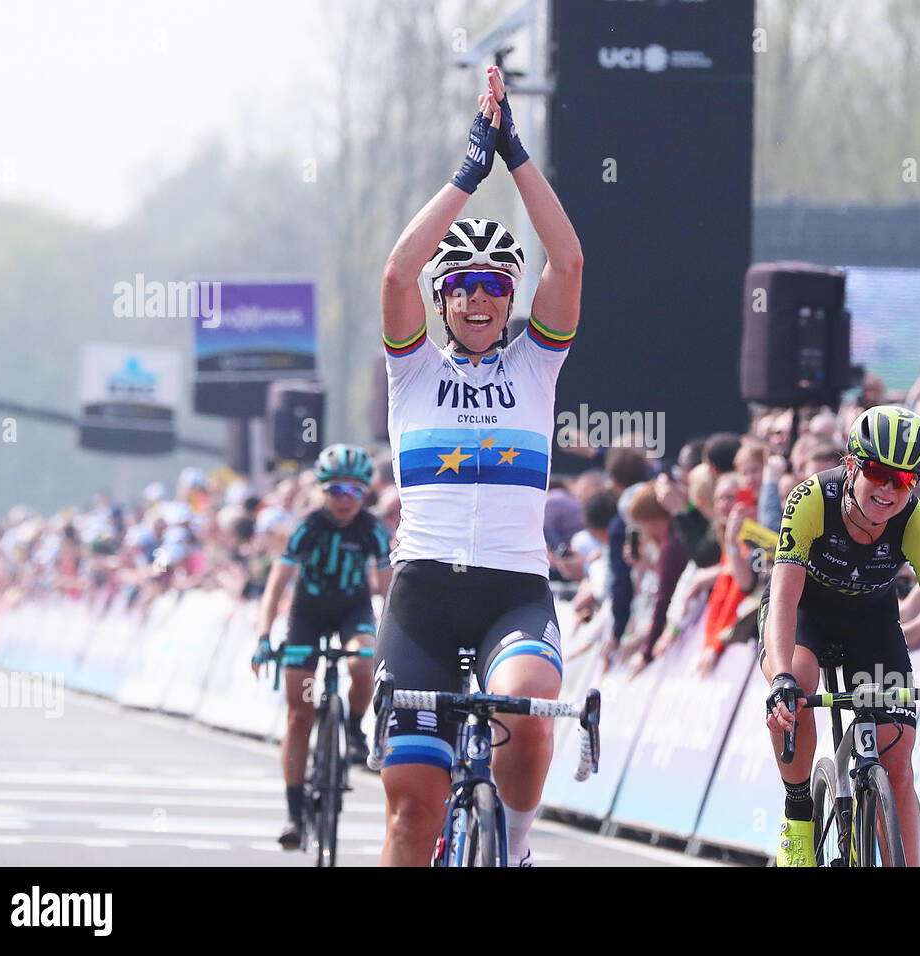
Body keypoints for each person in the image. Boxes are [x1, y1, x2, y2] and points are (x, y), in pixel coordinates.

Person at [372, 65, 582, 867]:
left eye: (495, 285)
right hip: (423, 597)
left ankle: (516, 847)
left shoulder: (536, 364)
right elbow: (396, 271)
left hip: (511, 590)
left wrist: (515, 156)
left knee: (525, 710)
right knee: (411, 812)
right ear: (442, 298)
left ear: (510, 297)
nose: (479, 299)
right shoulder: (412, 368)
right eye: (461, 285)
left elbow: (569, 263)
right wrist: (468, 173)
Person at [762, 405, 920, 867]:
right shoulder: (810, 499)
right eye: (879, 472)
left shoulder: (916, 522)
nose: (889, 490)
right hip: (804, 612)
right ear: (852, 464)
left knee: (897, 760)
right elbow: (783, 599)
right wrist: (780, 679)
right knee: (797, 684)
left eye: (905, 480)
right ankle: (798, 814)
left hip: (870, 622)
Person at [251, 443, 392, 850]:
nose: (345, 500)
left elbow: (388, 591)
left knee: (363, 663)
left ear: (365, 493)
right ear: (323, 491)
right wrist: (263, 636)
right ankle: (295, 815)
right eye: (335, 490)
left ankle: (354, 727)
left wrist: (393, 638)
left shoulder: (371, 529)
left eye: (355, 491)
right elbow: (276, 584)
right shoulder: (308, 526)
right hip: (307, 616)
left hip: (352, 611)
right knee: (300, 715)